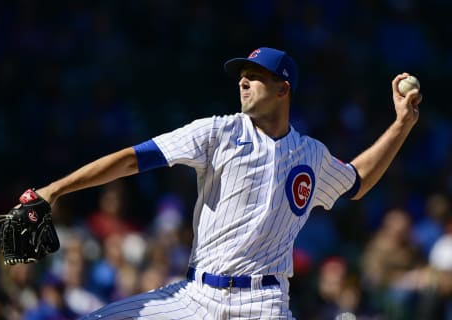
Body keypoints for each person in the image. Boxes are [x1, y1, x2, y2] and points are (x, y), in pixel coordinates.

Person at [30, 47, 421, 319]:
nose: (243, 83)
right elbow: (134, 158)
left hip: (263, 303)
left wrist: (402, 124)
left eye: (255, 77)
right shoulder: (216, 132)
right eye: (242, 77)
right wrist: (56, 189)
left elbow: (356, 182)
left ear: (283, 88)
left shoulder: (311, 155)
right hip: (195, 297)